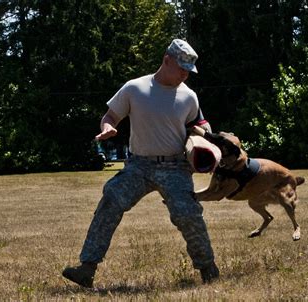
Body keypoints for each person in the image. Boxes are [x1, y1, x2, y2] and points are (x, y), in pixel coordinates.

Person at [62, 39, 219, 288]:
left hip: (175, 167)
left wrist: (208, 140)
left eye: (189, 70)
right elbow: (111, 115)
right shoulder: (134, 88)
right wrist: (108, 127)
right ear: (166, 60)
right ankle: (87, 269)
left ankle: (209, 270)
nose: (185, 74)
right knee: (112, 198)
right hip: (139, 166)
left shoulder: (189, 96)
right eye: (181, 68)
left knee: (187, 214)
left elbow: (198, 124)